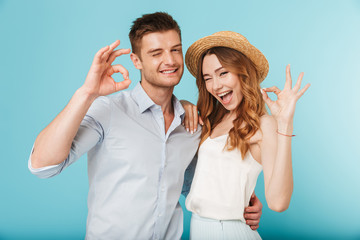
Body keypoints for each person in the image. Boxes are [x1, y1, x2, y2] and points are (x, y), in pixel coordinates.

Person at [28, 13, 262, 239]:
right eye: (156, 53)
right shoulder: (109, 111)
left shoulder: (191, 123)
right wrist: (87, 93)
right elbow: (43, 165)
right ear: (136, 60)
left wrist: (245, 201)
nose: (169, 60)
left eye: (175, 50)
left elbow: (200, 185)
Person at [182, 31, 310, 239]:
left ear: (243, 73)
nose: (216, 85)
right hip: (199, 229)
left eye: (223, 73)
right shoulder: (212, 119)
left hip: (228, 232)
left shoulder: (263, 125)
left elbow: (278, 202)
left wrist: (284, 124)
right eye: (208, 78)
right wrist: (184, 105)